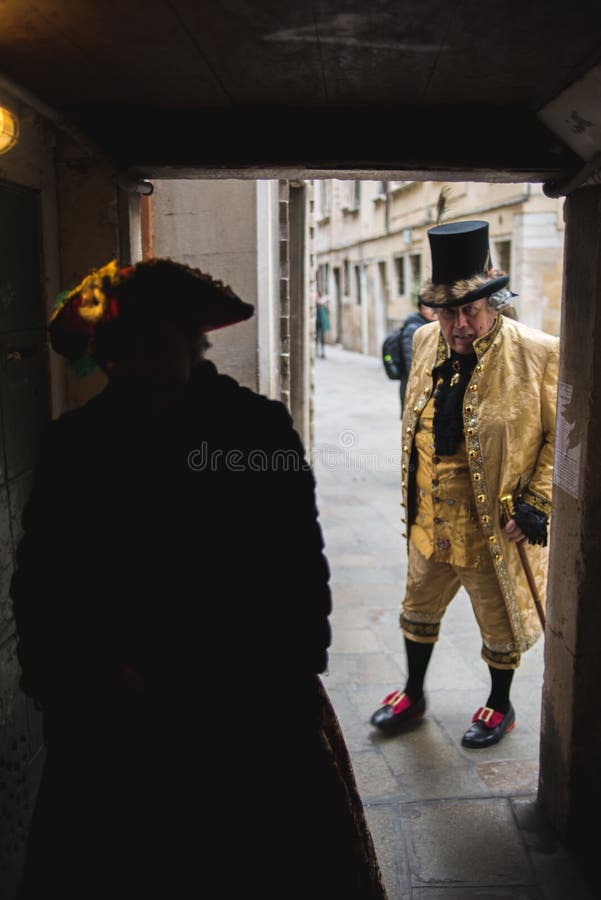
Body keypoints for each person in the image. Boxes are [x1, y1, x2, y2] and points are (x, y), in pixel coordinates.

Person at [11, 258, 386, 899]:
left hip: (244, 717)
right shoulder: (73, 448)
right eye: (124, 355)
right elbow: (43, 586)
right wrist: (91, 677)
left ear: (193, 343)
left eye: (160, 348)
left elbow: (297, 569)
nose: (144, 372)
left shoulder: (255, 432)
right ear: (106, 359)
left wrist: (269, 682)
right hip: (113, 726)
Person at [370, 220, 558, 749]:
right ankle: (413, 691)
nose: (457, 325)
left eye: (469, 311)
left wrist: (537, 503)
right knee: (417, 606)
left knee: (498, 620)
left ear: (493, 303)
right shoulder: (426, 340)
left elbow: (564, 436)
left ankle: (500, 705)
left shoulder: (539, 352)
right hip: (432, 512)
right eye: (447, 311)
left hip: (491, 523)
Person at [398, 299, 438, 413]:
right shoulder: (413, 328)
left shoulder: (428, 324)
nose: (433, 312)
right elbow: (411, 362)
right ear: (420, 309)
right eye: (429, 308)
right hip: (416, 385)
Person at [315, 291, 330, 358]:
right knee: (317, 337)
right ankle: (317, 351)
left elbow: (326, 312)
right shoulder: (316, 303)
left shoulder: (322, 305)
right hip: (316, 323)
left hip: (321, 322)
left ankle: (322, 352)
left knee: (322, 338)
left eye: (317, 295)